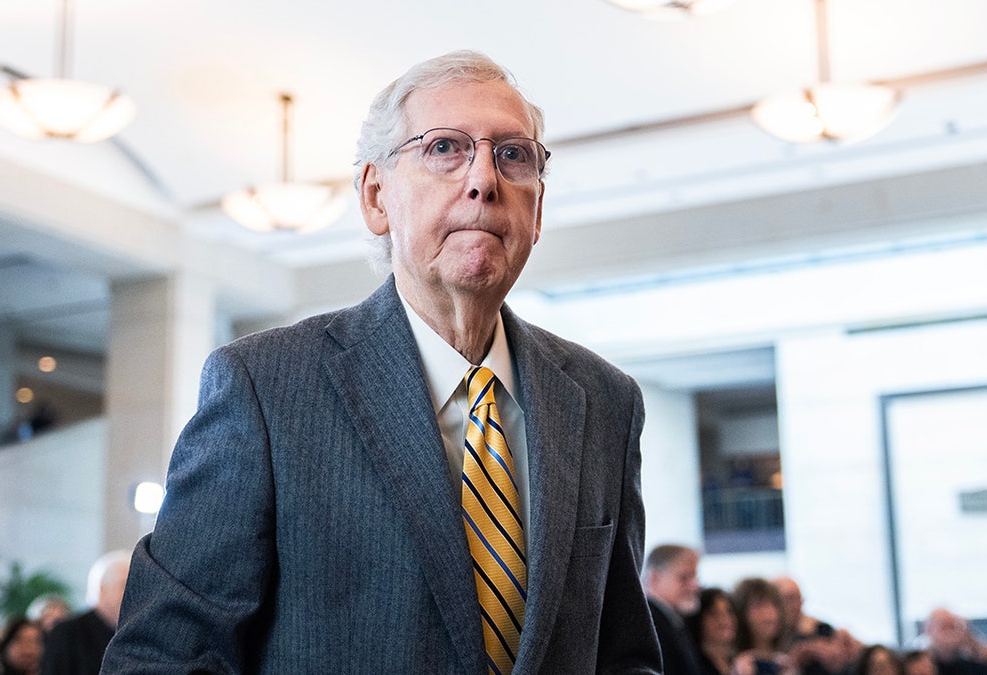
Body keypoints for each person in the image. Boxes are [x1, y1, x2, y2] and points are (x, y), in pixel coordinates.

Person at [101, 50, 662, 674]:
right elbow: (165, 659)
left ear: (537, 208)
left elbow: (624, 655)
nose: (484, 180)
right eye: (445, 148)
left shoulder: (605, 401)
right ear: (376, 196)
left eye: (513, 154)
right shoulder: (265, 389)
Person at [40, 551, 129, 675]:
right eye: (125, 585)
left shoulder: (135, 632)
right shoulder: (67, 633)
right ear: (102, 590)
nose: (132, 593)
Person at [643, 545, 703, 675]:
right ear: (654, 578)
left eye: (695, 577)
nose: (695, 586)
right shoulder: (648, 624)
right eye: (684, 578)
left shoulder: (672, 621)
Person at [732, 577, 791, 675]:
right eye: (759, 605)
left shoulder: (784, 661)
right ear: (741, 612)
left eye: (774, 605)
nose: (770, 613)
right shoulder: (735, 662)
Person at [924, 608, 987, 675]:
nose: (950, 634)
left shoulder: (980, 668)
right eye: (944, 627)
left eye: (953, 627)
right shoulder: (919, 668)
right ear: (928, 630)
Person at [686, 587, 737, 675]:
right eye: (714, 613)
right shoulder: (691, 664)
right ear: (699, 620)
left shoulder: (742, 661)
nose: (724, 620)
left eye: (729, 611)